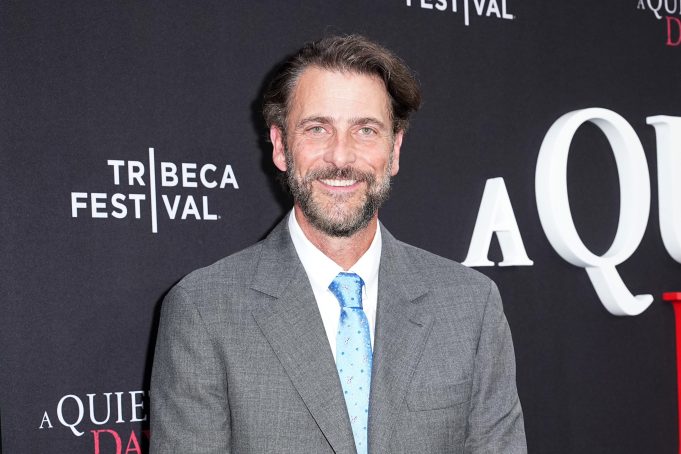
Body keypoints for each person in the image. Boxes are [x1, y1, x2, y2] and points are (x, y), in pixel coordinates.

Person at [150, 35, 526, 453]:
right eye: (317, 129)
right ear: (280, 145)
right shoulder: (204, 310)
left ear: (395, 149)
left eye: (366, 130)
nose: (341, 157)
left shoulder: (471, 306)